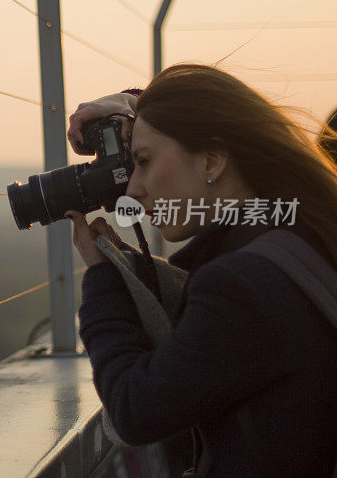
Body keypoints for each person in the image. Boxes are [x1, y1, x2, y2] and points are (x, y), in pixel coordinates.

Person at [64, 64, 337, 477]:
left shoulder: (242, 284)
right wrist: (141, 104)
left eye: (144, 161)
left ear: (212, 159)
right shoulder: (299, 230)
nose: (133, 189)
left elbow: (134, 411)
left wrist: (104, 280)